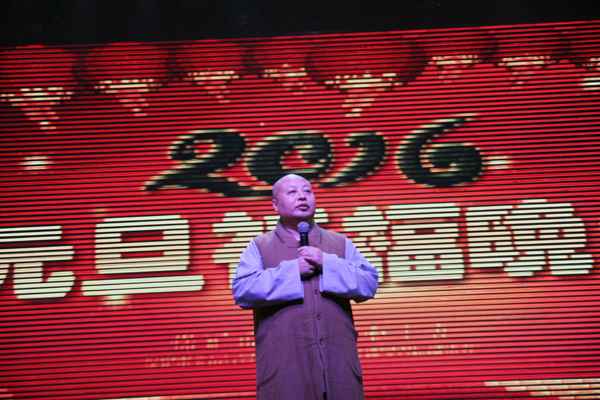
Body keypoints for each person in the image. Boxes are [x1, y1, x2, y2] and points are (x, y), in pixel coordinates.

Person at [232, 173, 379, 400]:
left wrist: (326, 263)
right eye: (292, 192)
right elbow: (242, 291)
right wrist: (292, 271)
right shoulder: (259, 246)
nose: (302, 196)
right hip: (285, 372)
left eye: (307, 191)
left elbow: (368, 283)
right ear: (275, 204)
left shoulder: (339, 243)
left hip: (339, 369)